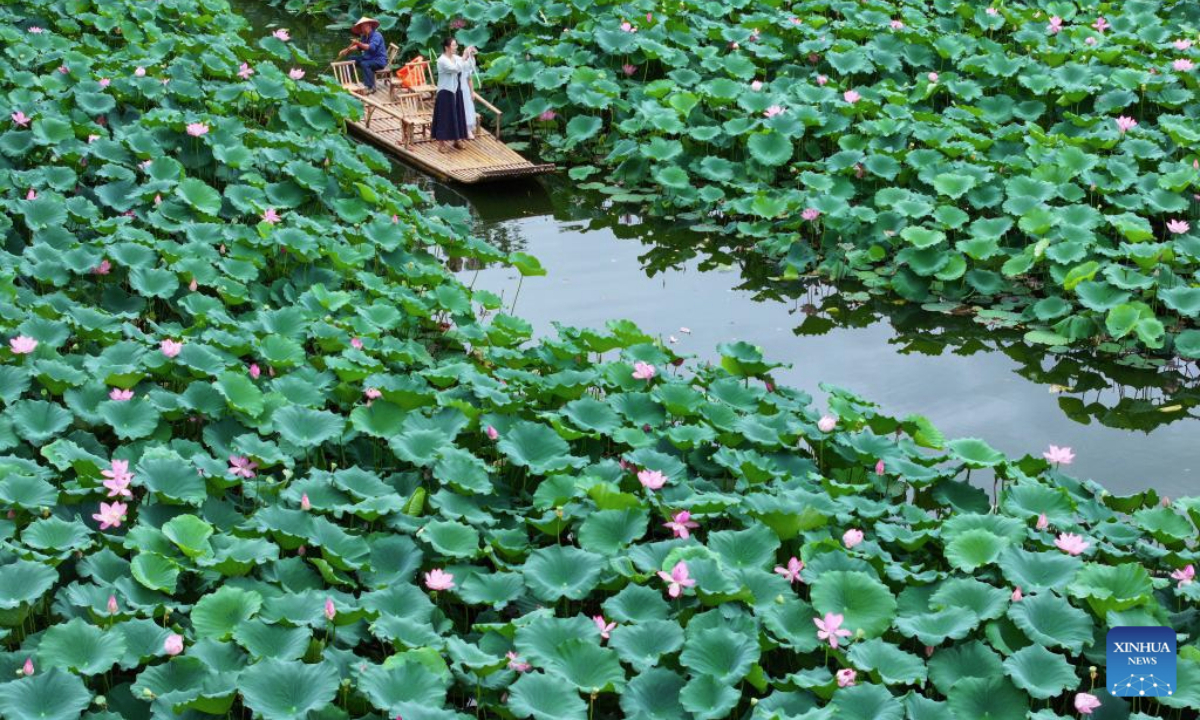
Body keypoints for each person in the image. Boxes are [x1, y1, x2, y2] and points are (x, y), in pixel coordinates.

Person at [431, 38, 472, 152]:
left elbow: (465, 65)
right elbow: (455, 69)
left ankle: (457, 140)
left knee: (458, 114)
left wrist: (469, 54)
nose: (456, 47)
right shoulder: (442, 60)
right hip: (445, 91)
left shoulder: (455, 58)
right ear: (447, 47)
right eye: (454, 45)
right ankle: (441, 144)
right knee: (444, 117)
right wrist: (464, 57)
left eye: (456, 45)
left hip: (455, 90)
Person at [337, 17, 387, 94]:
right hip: (368, 58)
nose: (362, 28)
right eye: (361, 27)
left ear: (369, 25)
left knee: (365, 64)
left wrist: (358, 43)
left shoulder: (377, 35)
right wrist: (347, 50)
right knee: (351, 59)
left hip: (379, 60)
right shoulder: (364, 36)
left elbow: (371, 48)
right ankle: (347, 81)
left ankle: (370, 87)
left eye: (364, 26)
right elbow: (359, 47)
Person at [462, 47, 478, 140]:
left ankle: (468, 130)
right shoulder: (458, 60)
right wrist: (465, 54)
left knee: (468, 107)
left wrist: (472, 92)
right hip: (457, 86)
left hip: (465, 87)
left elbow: (469, 78)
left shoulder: (470, 62)